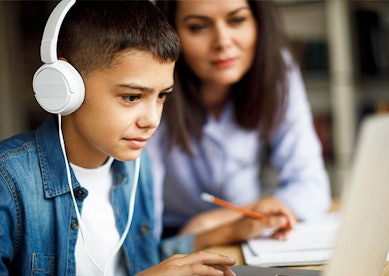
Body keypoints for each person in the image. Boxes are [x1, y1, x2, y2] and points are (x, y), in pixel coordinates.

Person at [0, 1, 237, 275]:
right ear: (66, 86)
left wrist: (231, 230)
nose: (152, 120)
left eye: (162, 96)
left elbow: (144, 258)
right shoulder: (8, 182)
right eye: (132, 97)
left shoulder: (138, 166)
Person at [146, 0, 332, 245]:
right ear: (171, 33)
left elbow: (312, 186)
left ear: (258, 22)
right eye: (198, 27)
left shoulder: (277, 68)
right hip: (169, 237)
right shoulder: (151, 82)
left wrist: (212, 222)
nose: (223, 42)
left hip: (246, 228)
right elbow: (144, 231)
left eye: (237, 20)